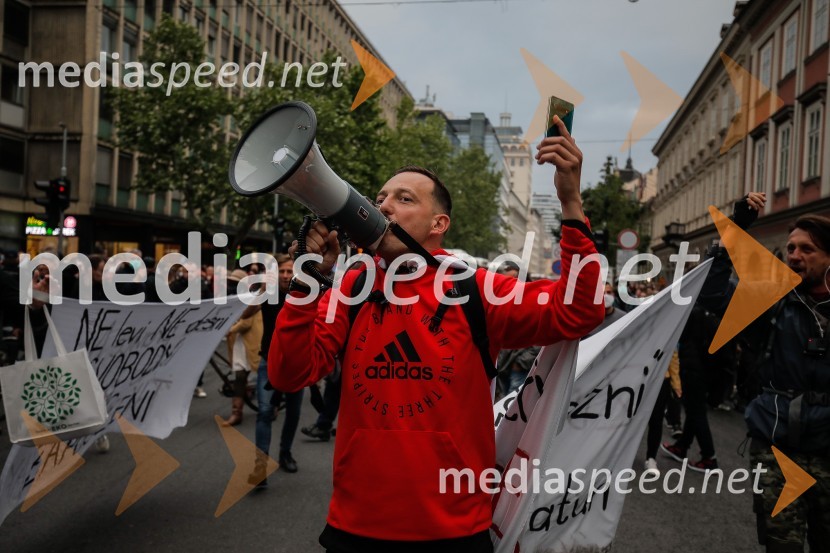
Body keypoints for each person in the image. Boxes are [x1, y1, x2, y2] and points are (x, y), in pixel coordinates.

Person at [269, 117, 604, 553]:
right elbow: (288, 373)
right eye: (380, 197)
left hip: (453, 530)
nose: (384, 205)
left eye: (404, 198)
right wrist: (306, 280)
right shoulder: (353, 286)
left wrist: (571, 201)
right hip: (356, 523)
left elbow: (580, 309)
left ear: (438, 223)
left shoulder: (475, 288)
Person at [248, 254, 303, 486]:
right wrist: (262, 289)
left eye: (289, 272)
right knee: (264, 411)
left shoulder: (302, 294)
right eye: (282, 271)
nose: (285, 276)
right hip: (268, 362)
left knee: (293, 412)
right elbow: (245, 313)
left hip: (295, 363)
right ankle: (260, 465)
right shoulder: (267, 294)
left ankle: (285, 453)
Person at [220, 269, 263, 427]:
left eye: (234, 283)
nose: (231, 286)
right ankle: (236, 412)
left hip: (250, 341)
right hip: (238, 343)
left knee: (261, 374)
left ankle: (270, 406)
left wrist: (229, 329)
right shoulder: (232, 299)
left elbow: (246, 322)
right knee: (240, 376)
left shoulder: (251, 299)